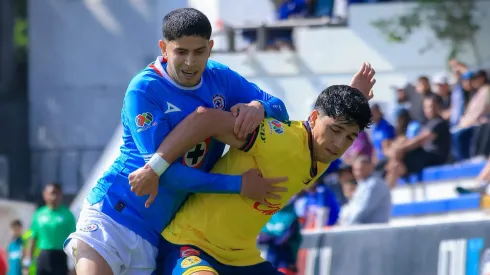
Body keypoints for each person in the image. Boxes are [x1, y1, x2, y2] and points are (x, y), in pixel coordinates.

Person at [63, 8, 290, 275]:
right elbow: (163, 173)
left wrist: (259, 107)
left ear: (211, 47)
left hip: (156, 235)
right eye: (181, 52)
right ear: (164, 48)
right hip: (113, 214)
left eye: (199, 52)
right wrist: (239, 184)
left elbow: (280, 109)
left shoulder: (221, 78)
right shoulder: (145, 89)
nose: (190, 63)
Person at [129, 67, 375, 274]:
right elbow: (204, 119)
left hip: (242, 258)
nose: (339, 144)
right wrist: (154, 167)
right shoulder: (280, 139)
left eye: (350, 137)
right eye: (334, 130)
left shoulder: (324, 152)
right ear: (312, 117)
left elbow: (338, 122)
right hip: (191, 245)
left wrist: (355, 99)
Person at [24, 183, 76, 275]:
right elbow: (33, 239)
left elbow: (75, 241)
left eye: (57, 193)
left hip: (60, 257)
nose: (54, 197)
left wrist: (75, 265)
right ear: (45, 195)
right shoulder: (39, 214)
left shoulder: (67, 215)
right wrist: (27, 263)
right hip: (43, 256)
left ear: (61, 195)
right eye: (51, 193)